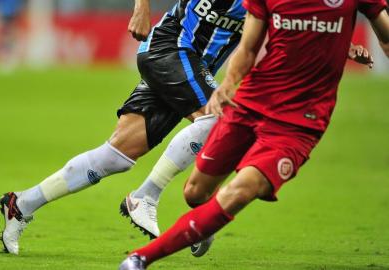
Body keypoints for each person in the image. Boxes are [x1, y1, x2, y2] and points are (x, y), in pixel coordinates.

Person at [0, 0, 374, 256]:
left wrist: (341, 47)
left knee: (117, 154)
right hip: (170, 50)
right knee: (222, 120)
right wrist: (142, 9)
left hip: (189, 67)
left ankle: (22, 204)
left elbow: (286, 34)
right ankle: (146, 196)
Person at [118, 0, 389, 268]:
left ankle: (140, 258)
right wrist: (227, 84)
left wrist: (343, 47)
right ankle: (199, 219)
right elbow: (249, 48)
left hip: (299, 122)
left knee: (242, 188)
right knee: (195, 193)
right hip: (251, 102)